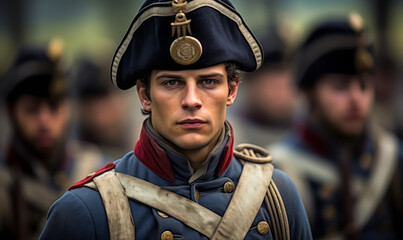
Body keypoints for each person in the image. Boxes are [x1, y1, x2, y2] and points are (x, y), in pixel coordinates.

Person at [39, 0, 312, 239]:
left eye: (208, 81)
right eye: (172, 83)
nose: (191, 99)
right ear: (144, 94)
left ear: (232, 90)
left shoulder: (277, 196)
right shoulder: (85, 211)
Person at [268, 13, 403, 239]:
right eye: (340, 86)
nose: (356, 99)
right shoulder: (278, 170)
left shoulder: (392, 158)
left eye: (364, 85)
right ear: (309, 94)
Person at [0, 41, 105, 240]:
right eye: (31, 109)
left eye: (54, 107)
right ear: (10, 111)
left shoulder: (97, 169)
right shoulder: (3, 185)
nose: (44, 121)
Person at [227, 25, 296, 146]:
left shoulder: (308, 132)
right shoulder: (229, 137)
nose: (283, 93)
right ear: (250, 83)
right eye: (274, 85)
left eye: (288, 84)